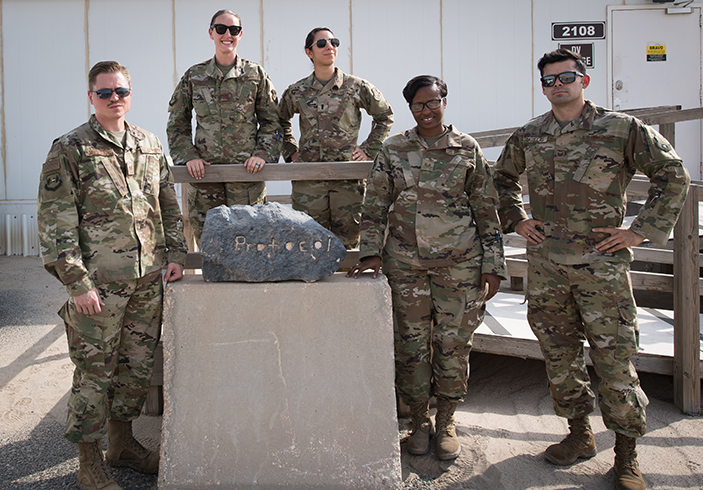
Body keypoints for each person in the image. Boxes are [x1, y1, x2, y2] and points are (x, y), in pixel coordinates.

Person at [493, 49, 690, 490]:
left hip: (601, 267)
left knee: (615, 360)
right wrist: (517, 218)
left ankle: (625, 455)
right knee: (560, 357)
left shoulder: (620, 128)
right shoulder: (530, 134)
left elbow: (672, 174)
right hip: (547, 267)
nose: (557, 84)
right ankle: (579, 436)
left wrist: (641, 231)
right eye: (548, 80)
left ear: (584, 80)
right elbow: (501, 180)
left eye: (566, 76)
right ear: (542, 86)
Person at [37, 61, 187, 490]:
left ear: (130, 93)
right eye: (105, 93)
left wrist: (175, 252)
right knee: (93, 372)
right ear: (91, 97)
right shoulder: (70, 148)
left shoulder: (149, 143)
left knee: (134, 368)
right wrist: (77, 283)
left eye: (120, 91)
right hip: (98, 287)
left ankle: (122, 445)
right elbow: (55, 221)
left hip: (146, 280)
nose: (114, 99)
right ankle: (90, 462)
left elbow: (167, 204)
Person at [347, 75, 506, 460]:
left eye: (433, 102)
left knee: (452, 345)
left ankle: (447, 420)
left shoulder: (466, 148)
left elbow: (486, 209)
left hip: (460, 265)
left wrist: (493, 264)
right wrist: (370, 251)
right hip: (407, 265)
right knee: (412, 348)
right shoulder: (394, 148)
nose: (427, 111)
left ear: (445, 102)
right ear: (410, 109)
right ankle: (419, 421)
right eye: (419, 105)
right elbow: (375, 204)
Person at [167, 9, 282, 244]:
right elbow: (177, 123)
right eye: (221, 29)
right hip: (205, 177)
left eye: (234, 30)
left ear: (240, 34)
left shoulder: (255, 75)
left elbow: (272, 122)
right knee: (210, 243)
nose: (227, 34)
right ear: (211, 33)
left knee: (251, 241)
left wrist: (262, 154)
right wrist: (188, 156)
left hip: (246, 177)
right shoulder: (194, 76)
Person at [278, 27, 393, 249]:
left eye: (334, 42)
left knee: (347, 243)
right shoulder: (297, 91)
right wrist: (291, 151)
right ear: (309, 52)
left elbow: (384, 115)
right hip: (309, 179)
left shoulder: (356, 86)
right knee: (308, 241)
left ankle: (347, 284)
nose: (329, 46)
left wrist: (369, 149)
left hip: (347, 179)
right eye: (321, 43)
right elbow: (279, 121)